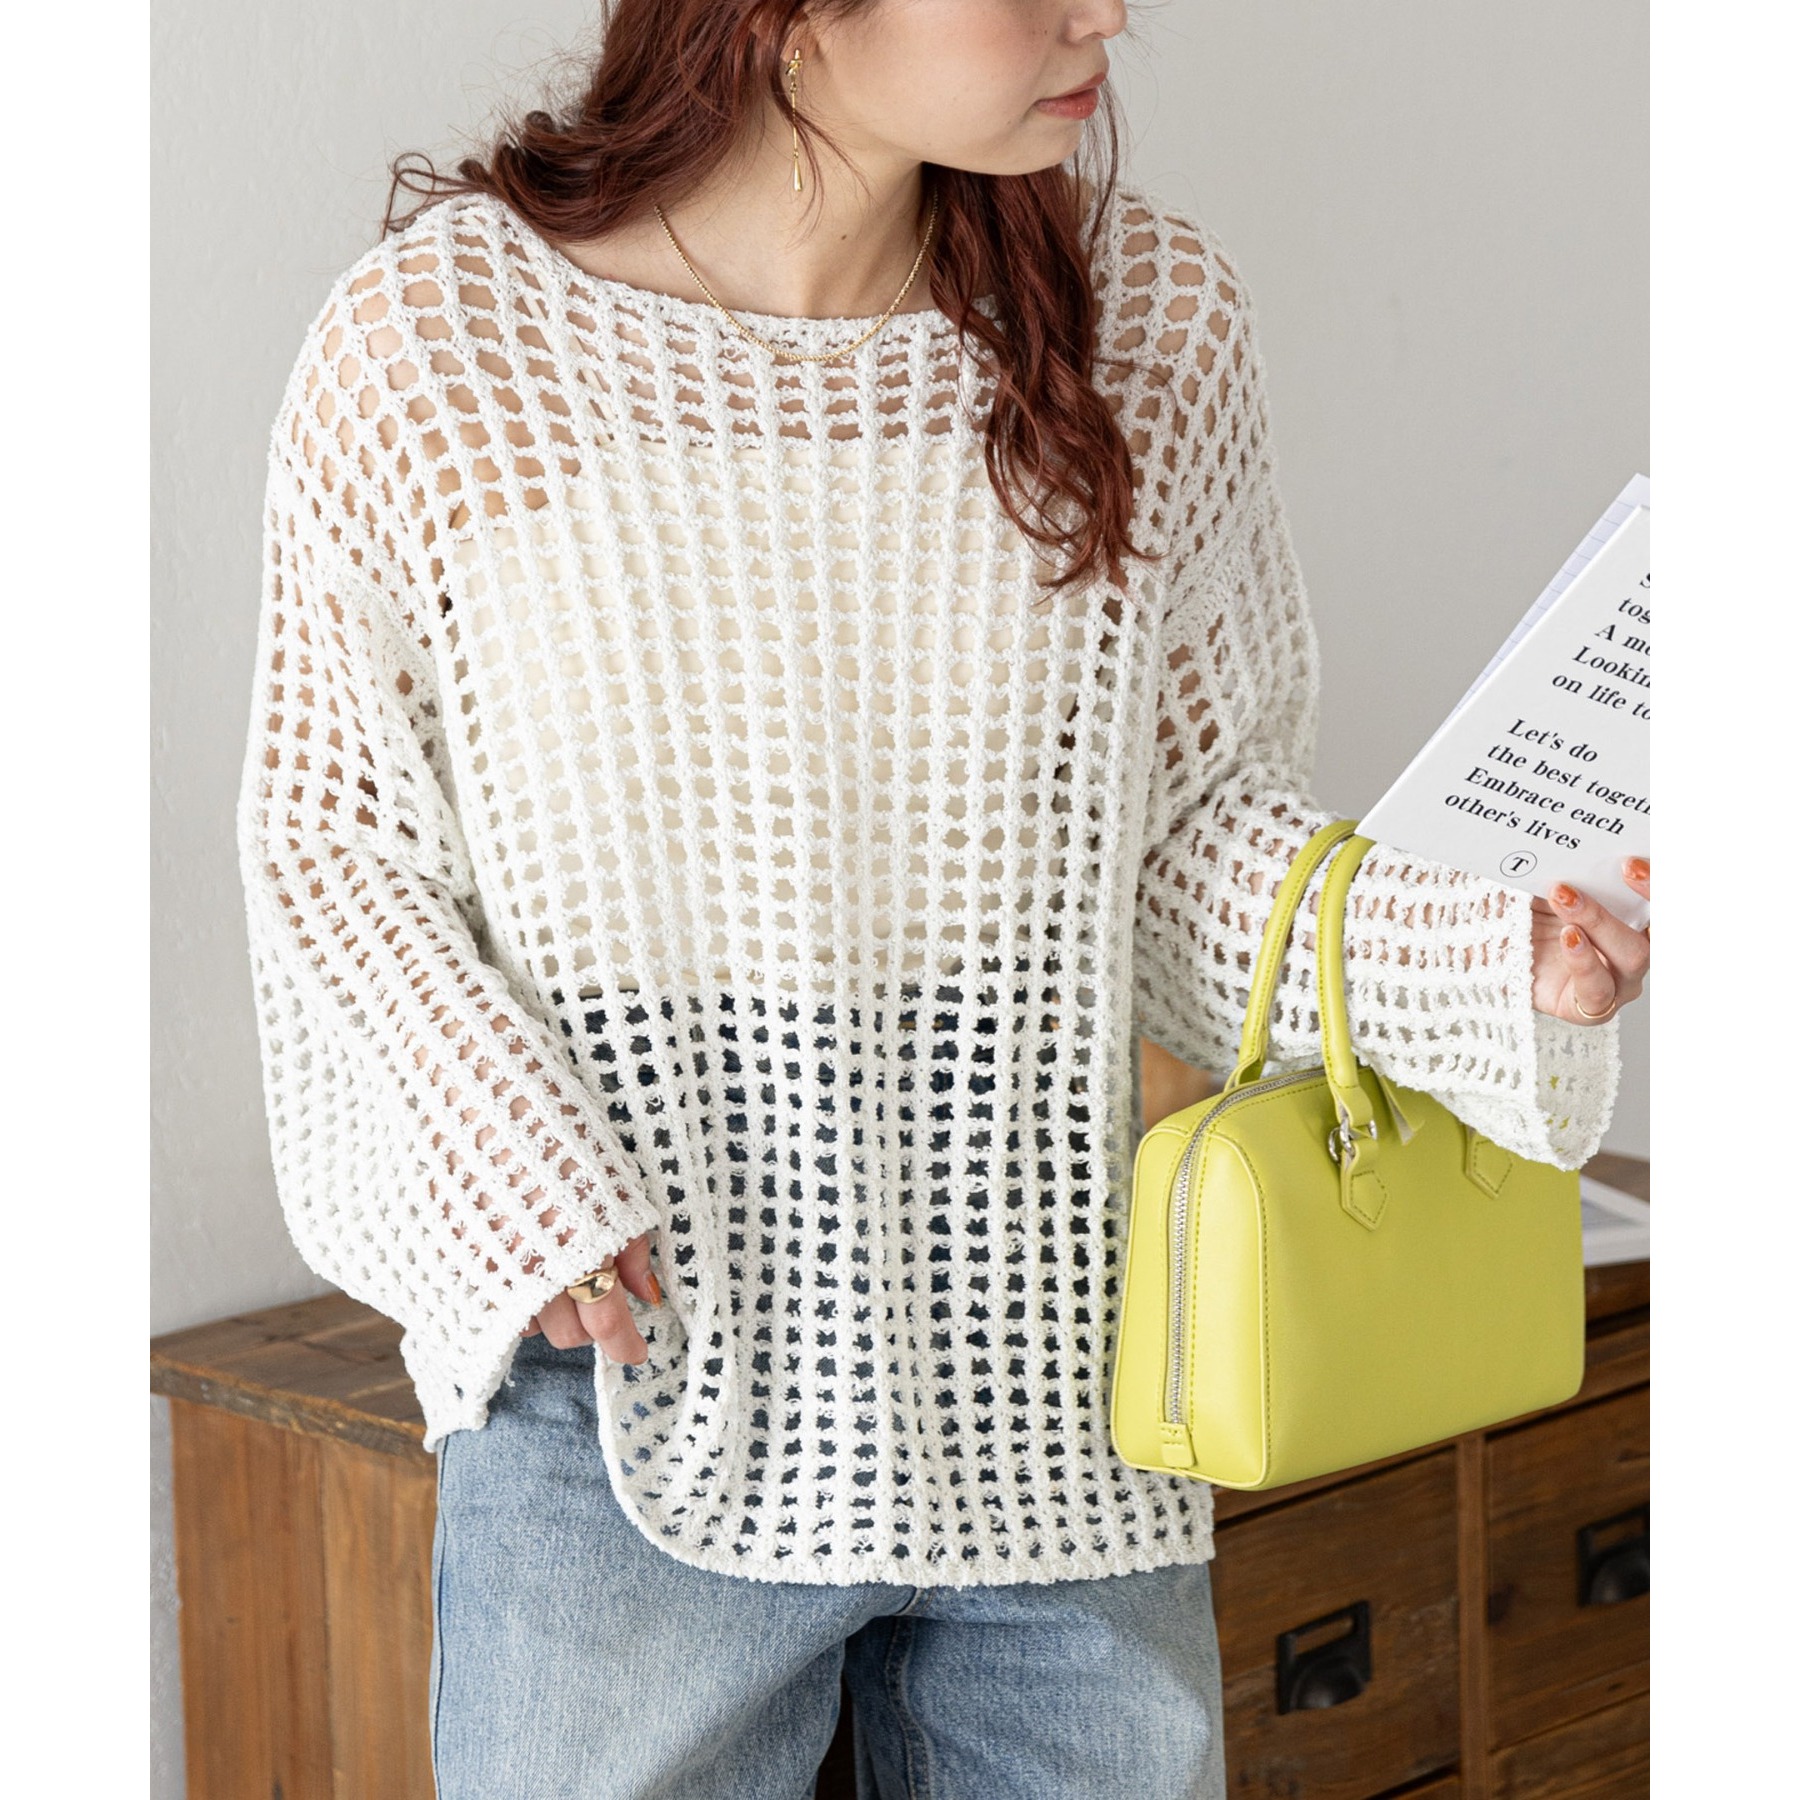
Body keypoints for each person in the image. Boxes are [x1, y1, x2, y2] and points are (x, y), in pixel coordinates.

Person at [234, 3, 1651, 1795]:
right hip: (628, 1386)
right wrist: (512, 1165)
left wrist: (1475, 954)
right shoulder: (448, 347)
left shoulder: (1148, 324)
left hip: (1049, 1389)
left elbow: (1182, 835)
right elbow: (337, 841)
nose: (1105, 14)